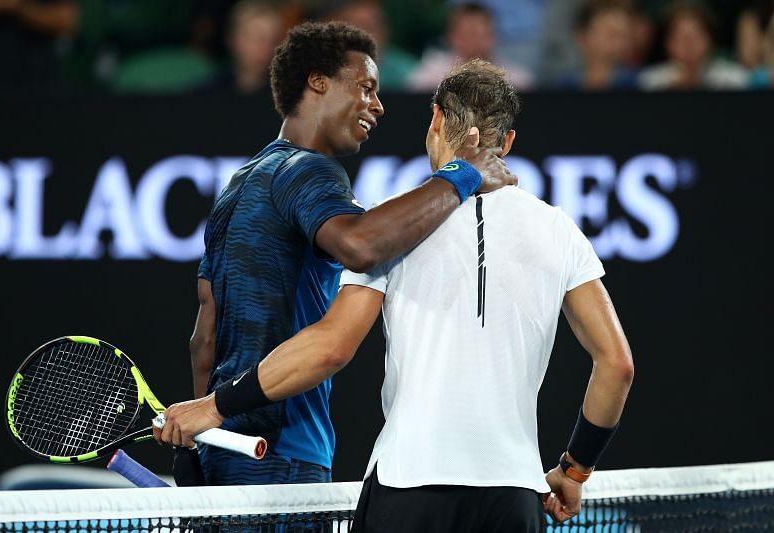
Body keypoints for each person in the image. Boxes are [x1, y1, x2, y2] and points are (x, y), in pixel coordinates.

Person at [155, 58, 634, 531]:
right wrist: (575, 470)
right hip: (512, 495)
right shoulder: (559, 230)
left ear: (436, 119)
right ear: (507, 142)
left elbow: (331, 346)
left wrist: (214, 406)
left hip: (408, 487)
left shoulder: (391, 225)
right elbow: (616, 365)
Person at [177, 21, 515, 487]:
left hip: (226, 452)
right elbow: (360, 244)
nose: (378, 105)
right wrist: (463, 174)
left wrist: (203, 434)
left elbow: (204, 339)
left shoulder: (236, 187)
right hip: (285, 457)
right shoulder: (308, 170)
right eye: (366, 87)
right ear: (318, 81)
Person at [409, 2, 534, 91]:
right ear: (451, 36)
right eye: (468, 34)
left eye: (481, 34)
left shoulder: (518, 81)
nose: (475, 41)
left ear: (494, 36)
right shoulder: (428, 78)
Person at [638, 1, 748, 90]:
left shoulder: (735, 80)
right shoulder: (650, 83)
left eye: (695, 37)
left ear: (710, 40)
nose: (688, 45)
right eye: (681, 38)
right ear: (667, 43)